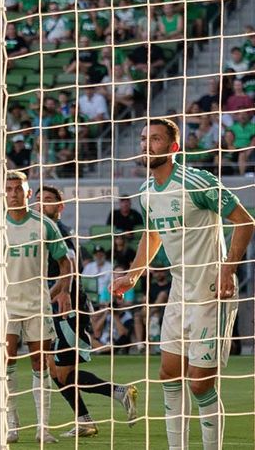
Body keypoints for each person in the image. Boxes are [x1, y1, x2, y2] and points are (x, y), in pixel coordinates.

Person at [111, 119, 254, 450]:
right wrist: (133, 273)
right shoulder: (146, 191)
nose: (147, 144)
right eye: (144, 138)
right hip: (179, 291)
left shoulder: (197, 181)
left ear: (173, 147)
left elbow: (245, 222)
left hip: (210, 292)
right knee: (168, 375)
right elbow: (153, 235)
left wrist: (226, 269)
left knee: (201, 385)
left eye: (156, 139)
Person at [36, 185, 137, 438]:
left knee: (63, 372)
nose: (41, 205)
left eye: (48, 200)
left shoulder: (57, 230)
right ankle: (85, 420)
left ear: (60, 207)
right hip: (52, 307)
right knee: (54, 367)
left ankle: (118, 393)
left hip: (67, 306)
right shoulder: (39, 230)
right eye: (38, 200)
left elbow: (69, 267)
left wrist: (62, 294)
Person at [3, 170, 73, 444]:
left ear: (28, 193)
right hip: (6, 303)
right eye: (8, 189)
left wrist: (63, 290)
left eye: (18, 189)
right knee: (6, 362)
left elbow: (65, 261)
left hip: (37, 303)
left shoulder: (44, 225)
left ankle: (43, 427)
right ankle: (11, 424)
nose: (13, 194)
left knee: (39, 363)